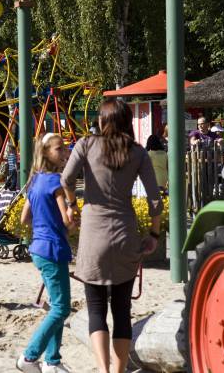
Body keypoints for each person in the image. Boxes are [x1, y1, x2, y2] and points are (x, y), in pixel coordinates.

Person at [61, 98, 162, 373]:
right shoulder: (138, 153)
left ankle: (103, 371)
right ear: (128, 122)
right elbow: (155, 199)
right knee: (121, 309)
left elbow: (66, 180)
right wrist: (153, 233)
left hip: (93, 236)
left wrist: (72, 206)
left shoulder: (85, 144)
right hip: (125, 234)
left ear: (102, 121)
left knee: (95, 308)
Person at [16, 133, 72, 373]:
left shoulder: (35, 180)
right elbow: (68, 221)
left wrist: (44, 221)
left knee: (56, 305)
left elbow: (24, 218)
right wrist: (72, 206)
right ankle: (29, 357)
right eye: (60, 149)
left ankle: (53, 360)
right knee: (61, 308)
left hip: (39, 248)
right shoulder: (56, 182)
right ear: (47, 152)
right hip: (53, 249)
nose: (65, 152)